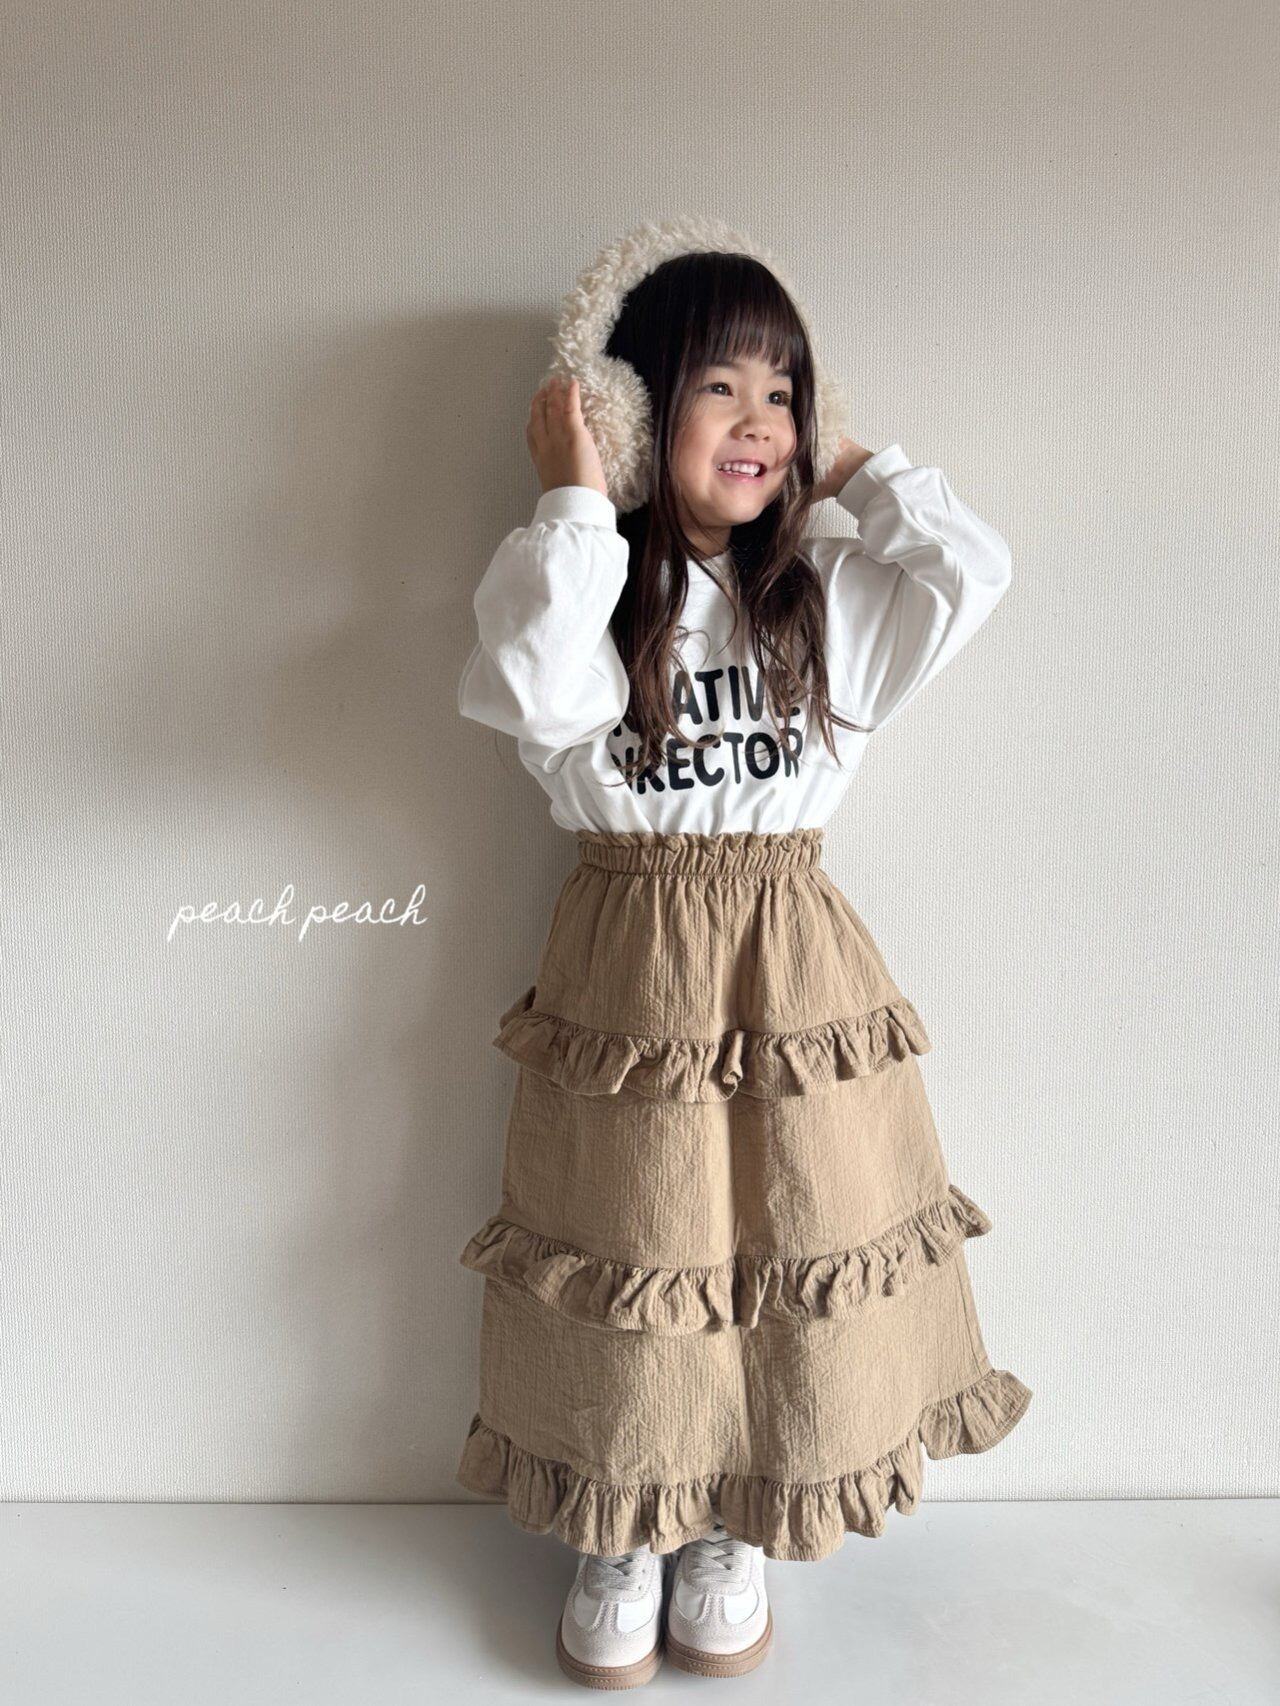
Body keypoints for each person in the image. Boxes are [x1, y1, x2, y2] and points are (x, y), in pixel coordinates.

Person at [454, 215, 1032, 1689]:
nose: (761, 420)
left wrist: (849, 468)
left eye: (785, 392)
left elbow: (974, 568)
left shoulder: (821, 593)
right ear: (635, 408)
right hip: (631, 966)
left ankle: (732, 1517)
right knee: (640, 1243)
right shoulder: (585, 583)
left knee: (781, 1243)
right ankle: (626, 1518)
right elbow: (526, 682)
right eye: (721, 387)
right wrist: (578, 488)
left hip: (793, 966)